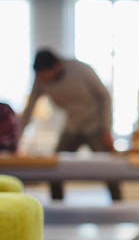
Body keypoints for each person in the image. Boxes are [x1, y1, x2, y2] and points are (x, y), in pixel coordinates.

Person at [20, 49, 121, 201]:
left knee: (107, 168)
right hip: (72, 127)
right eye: (40, 75)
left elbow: (104, 96)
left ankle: (118, 203)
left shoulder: (81, 70)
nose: (43, 78)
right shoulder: (40, 79)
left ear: (57, 66)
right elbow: (29, 108)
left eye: (46, 73)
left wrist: (106, 128)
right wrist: (17, 135)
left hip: (95, 127)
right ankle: (57, 202)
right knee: (54, 167)